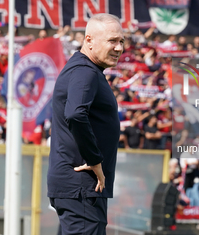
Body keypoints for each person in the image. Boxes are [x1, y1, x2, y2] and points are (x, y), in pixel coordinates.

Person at [47, 13, 124, 235]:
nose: (118, 48)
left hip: (79, 189)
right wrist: (95, 160)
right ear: (89, 40)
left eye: (121, 41)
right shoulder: (84, 70)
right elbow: (75, 114)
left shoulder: (84, 69)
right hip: (82, 186)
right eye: (112, 41)